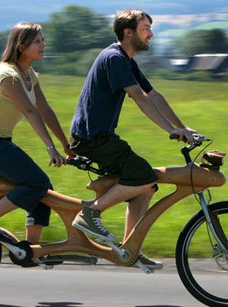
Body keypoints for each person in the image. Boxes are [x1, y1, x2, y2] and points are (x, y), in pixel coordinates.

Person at [70, 9, 197, 270]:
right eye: (145, 28)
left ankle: (130, 249)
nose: (151, 33)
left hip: (101, 137)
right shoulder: (115, 58)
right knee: (143, 175)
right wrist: (170, 130)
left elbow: (153, 94)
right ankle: (90, 213)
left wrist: (182, 126)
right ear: (128, 32)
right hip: (92, 139)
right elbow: (139, 98)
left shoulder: (126, 60)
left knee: (146, 186)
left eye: (150, 27)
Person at [0, 22, 74, 245]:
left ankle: (29, 249)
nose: (43, 45)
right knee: (37, 184)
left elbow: (45, 109)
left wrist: (66, 144)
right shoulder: (8, 74)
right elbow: (29, 110)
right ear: (21, 46)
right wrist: (50, 147)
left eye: (43, 40)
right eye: (37, 41)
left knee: (43, 190)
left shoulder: (29, 74)